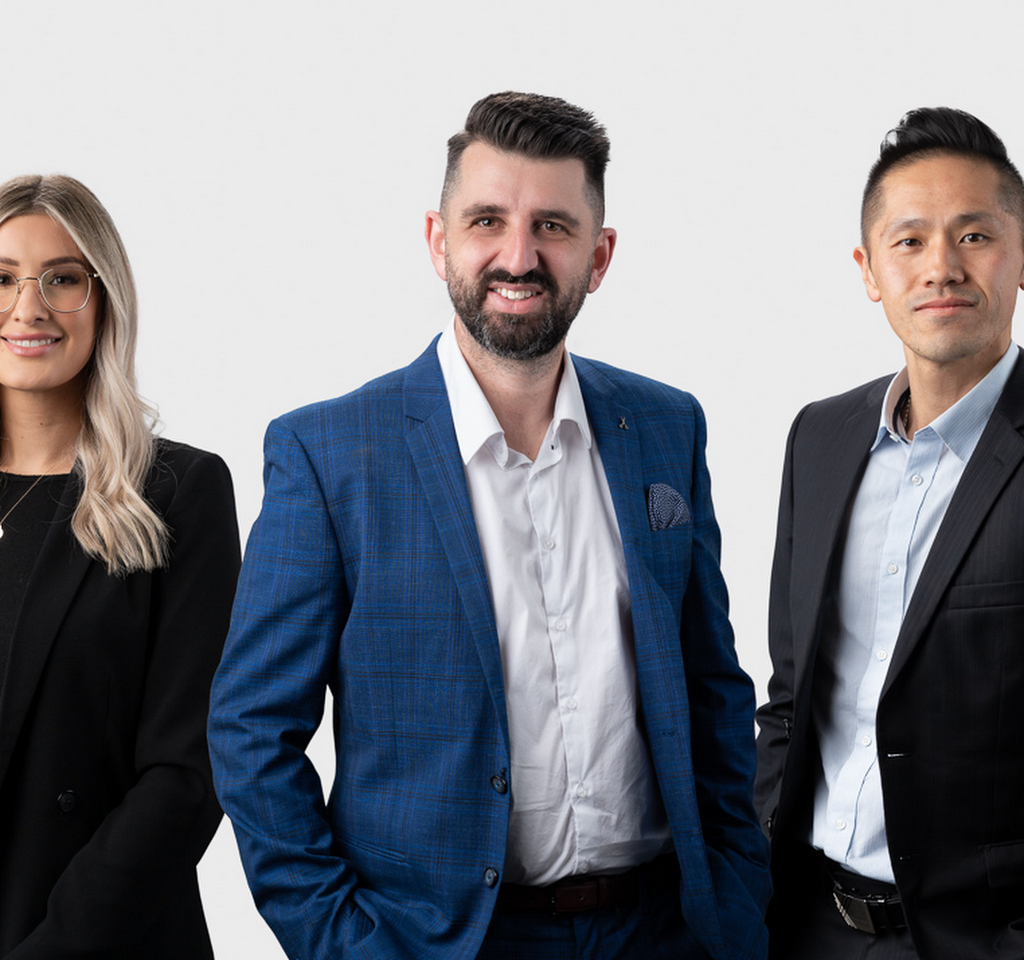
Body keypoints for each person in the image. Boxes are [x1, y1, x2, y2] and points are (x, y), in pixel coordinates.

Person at [209, 92, 769, 959]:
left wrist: (735, 894)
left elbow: (714, 689)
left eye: (553, 225)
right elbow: (252, 731)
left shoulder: (667, 428)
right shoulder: (329, 454)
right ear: (438, 241)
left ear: (599, 254)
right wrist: (342, 942)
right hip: (437, 941)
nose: (519, 256)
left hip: (664, 931)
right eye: (487, 222)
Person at [755, 107, 1024, 959]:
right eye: (909, 241)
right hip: (807, 927)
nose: (942, 266)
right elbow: (792, 697)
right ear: (870, 271)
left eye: (974, 235)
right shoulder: (820, 438)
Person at [0, 174, 240, 957]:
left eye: (61, 279)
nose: (28, 308)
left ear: (104, 301)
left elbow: (188, 774)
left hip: (100, 940)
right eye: (2, 279)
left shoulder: (178, 492)